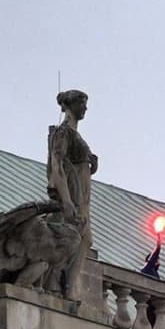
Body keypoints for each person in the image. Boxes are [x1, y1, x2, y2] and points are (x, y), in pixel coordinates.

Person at [46, 89, 96, 299]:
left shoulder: (76, 135)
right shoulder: (63, 132)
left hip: (82, 198)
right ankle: (59, 284)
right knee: (73, 239)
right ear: (69, 105)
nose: (85, 107)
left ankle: (67, 285)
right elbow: (57, 165)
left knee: (84, 240)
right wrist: (66, 200)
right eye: (81, 103)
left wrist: (91, 164)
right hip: (73, 197)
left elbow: (77, 165)